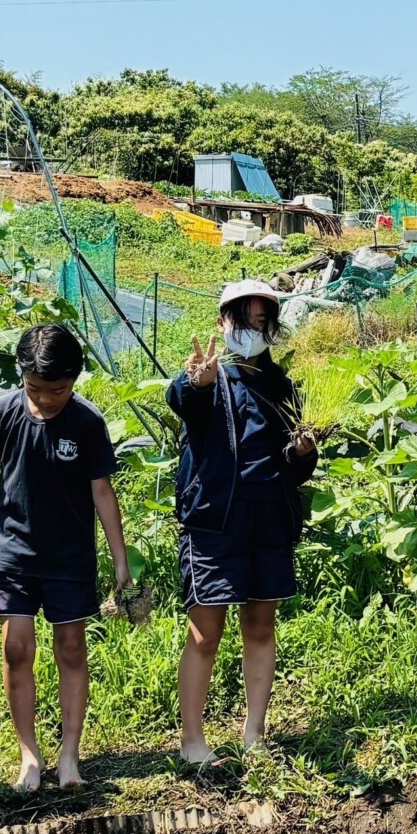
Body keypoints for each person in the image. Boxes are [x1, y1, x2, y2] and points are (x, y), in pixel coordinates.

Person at [0, 322, 132, 793]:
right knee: (17, 647)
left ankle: (70, 753)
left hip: (70, 558)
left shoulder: (88, 422)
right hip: (13, 552)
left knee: (71, 649)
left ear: (75, 380)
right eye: (36, 388)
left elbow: (102, 492)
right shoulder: (1, 413)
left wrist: (120, 560)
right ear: (20, 374)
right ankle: (29, 753)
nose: (47, 399)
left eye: (59, 390)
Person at [168, 278, 319, 768]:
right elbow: (183, 401)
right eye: (241, 320)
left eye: (260, 321)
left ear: (271, 327)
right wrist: (197, 382)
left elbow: (297, 471)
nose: (250, 329)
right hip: (215, 523)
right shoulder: (209, 378)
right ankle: (193, 740)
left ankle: (254, 733)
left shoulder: (282, 388)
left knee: (260, 625)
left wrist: (302, 453)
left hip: (270, 523)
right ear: (221, 323)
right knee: (205, 631)